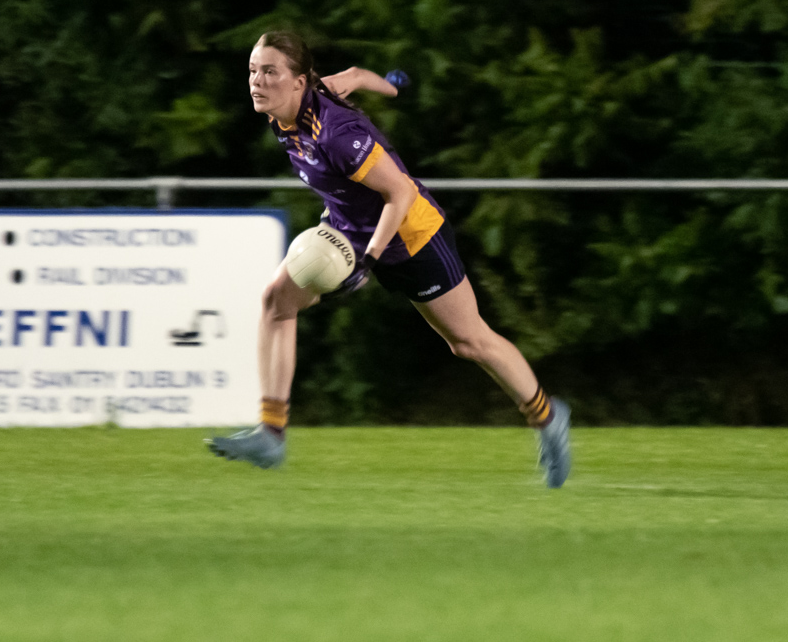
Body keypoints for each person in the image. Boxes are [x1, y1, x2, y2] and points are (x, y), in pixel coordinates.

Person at [206, 31, 572, 488]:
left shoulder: (338, 134)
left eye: (269, 72)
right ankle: (271, 434)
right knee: (275, 303)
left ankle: (547, 416)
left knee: (469, 342)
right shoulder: (287, 110)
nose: (257, 82)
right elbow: (355, 76)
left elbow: (398, 191)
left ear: (299, 81)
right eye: (253, 71)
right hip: (347, 230)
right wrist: (393, 85)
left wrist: (369, 261)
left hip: (411, 236)